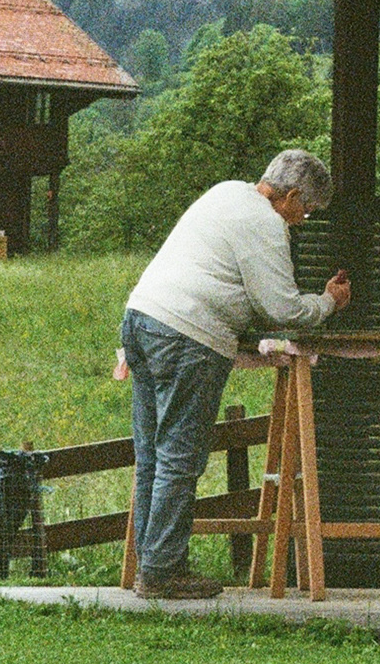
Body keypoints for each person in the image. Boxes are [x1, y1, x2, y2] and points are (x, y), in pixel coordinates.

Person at [119, 148, 350, 600]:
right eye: (306, 208)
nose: (302, 220)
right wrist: (328, 303)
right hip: (187, 334)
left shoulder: (226, 193)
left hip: (141, 318)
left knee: (152, 453)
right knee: (180, 456)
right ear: (292, 195)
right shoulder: (265, 224)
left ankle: (151, 564)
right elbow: (280, 307)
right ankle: (163, 571)